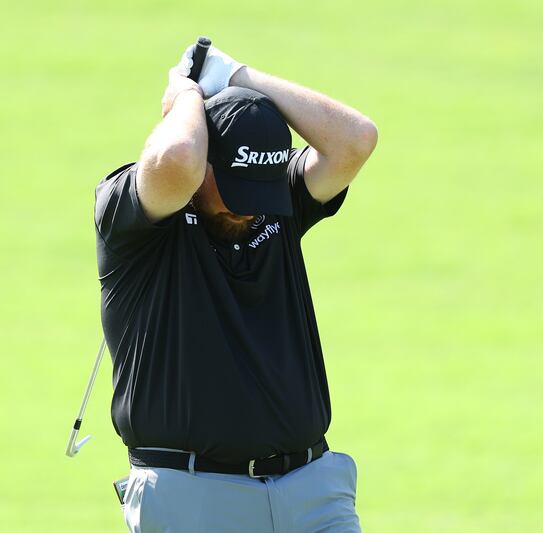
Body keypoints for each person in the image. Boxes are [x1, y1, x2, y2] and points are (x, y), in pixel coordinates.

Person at [94, 42, 377, 533]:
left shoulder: (274, 203)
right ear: (206, 160)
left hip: (312, 492)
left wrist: (238, 76)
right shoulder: (137, 217)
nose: (248, 209)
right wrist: (185, 96)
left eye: (259, 190)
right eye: (234, 188)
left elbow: (355, 140)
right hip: (192, 499)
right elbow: (177, 156)